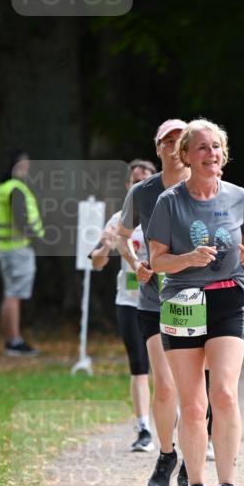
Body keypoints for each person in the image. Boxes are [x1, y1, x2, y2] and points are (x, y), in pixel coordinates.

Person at [147, 118, 244, 486]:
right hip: (183, 300)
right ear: (186, 155)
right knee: (193, 404)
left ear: (223, 154)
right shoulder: (170, 202)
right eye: (201, 147)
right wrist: (187, 259)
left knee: (225, 394)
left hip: (228, 297)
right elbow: (157, 260)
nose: (210, 154)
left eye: (215, 147)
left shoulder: (238, 197)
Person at [118, 119, 191, 486]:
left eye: (180, 140)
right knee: (164, 385)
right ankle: (166, 454)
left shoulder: (206, 186)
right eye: (167, 141)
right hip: (155, 300)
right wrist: (136, 264)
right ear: (157, 146)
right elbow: (121, 236)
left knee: (195, 388)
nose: (173, 146)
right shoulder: (142, 192)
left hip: (199, 299)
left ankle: (191, 464)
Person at [89, 159, 157, 451]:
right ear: (128, 185)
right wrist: (106, 245)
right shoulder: (118, 219)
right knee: (138, 366)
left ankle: (178, 423)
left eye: (145, 179)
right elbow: (97, 263)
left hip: (162, 300)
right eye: (134, 180)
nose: (139, 184)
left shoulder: (164, 213)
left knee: (168, 368)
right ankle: (144, 428)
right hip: (129, 301)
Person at [0, 150, 44, 356]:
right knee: (14, 295)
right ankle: (14, 340)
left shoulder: (2, 188)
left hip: (5, 248)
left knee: (10, 294)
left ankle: (10, 340)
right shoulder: (16, 189)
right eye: (22, 166)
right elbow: (21, 219)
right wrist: (35, 238)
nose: (25, 170)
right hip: (18, 249)